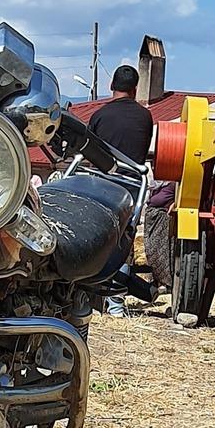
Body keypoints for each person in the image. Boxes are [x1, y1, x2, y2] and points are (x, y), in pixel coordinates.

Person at [90, 65, 154, 316]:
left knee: (97, 240)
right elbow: (142, 150)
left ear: (111, 86)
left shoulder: (99, 115)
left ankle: (93, 299)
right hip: (131, 188)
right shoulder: (144, 117)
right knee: (123, 242)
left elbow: (90, 151)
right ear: (135, 89)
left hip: (101, 185)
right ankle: (116, 304)